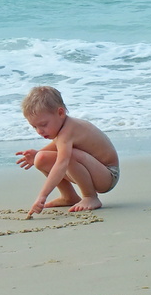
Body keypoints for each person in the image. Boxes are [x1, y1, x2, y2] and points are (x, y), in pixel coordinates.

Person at [15, 86, 119, 217]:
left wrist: (42, 196)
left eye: (43, 125)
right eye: (34, 127)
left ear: (60, 113)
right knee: (40, 159)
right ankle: (69, 196)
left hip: (108, 175)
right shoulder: (62, 129)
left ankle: (90, 196)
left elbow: (62, 163)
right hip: (93, 171)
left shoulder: (68, 131)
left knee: (68, 156)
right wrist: (36, 155)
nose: (39, 131)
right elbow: (56, 145)